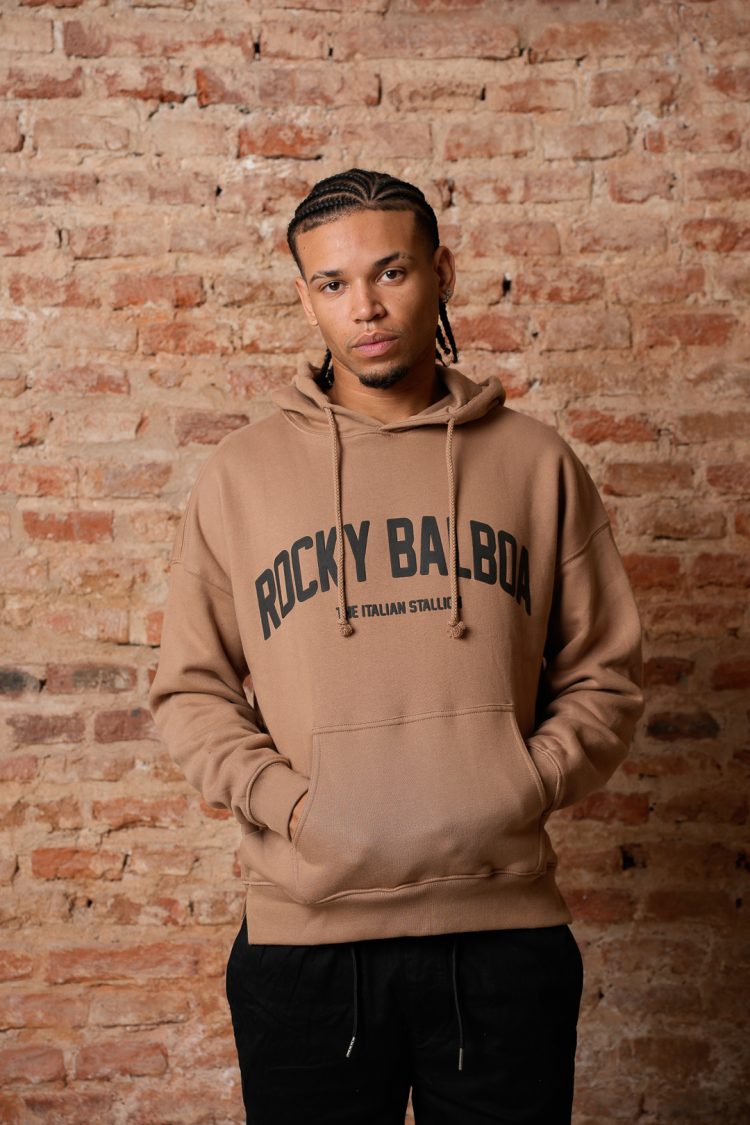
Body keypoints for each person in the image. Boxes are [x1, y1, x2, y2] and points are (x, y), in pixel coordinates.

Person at [147, 168, 645, 1125]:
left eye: (391, 272)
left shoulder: (534, 463)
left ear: (440, 273)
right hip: (305, 945)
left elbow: (605, 673)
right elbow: (192, 690)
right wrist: (294, 808)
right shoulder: (241, 476)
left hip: (502, 940)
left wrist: (522, 781)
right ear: (306, 299)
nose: (365, 307)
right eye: (332, 283)